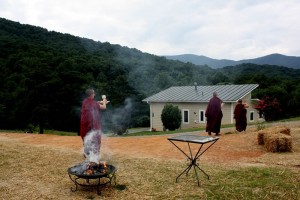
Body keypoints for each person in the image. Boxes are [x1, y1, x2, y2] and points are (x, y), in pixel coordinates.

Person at [80, 88, 109, 158]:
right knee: (95, 141)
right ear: (91, 94)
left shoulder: (84, 102)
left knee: (86, 140)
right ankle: (95, 157)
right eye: (94, 93)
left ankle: (86, 154)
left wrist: (99, 102)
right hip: (92, 126)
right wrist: (104, 102)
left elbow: (93, 104)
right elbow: (104, 107)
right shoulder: (94, 104)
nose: (94, 94)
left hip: (84, 126)